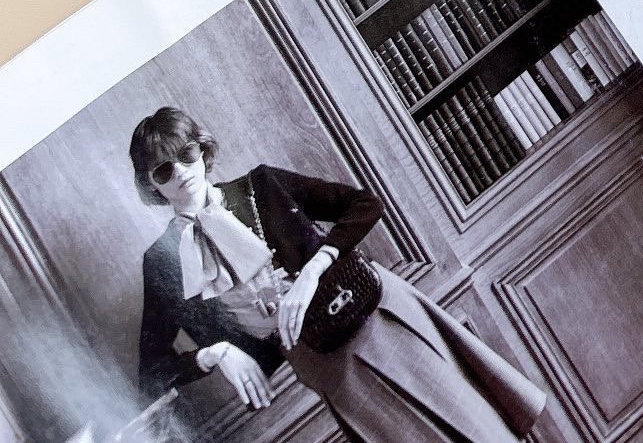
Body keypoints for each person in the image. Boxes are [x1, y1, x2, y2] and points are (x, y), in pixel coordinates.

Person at [130, 106, 546, 439]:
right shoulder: (163, 261)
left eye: (186, 154)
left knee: (477, 426)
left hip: (377, 316)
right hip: (326, 365)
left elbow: (365, 204)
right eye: (164, 170)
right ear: (152, 186)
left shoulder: (262, 185)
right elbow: (151, 371)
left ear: (202, 152)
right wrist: (216, 353)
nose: (180, 171)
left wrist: (314, 269)